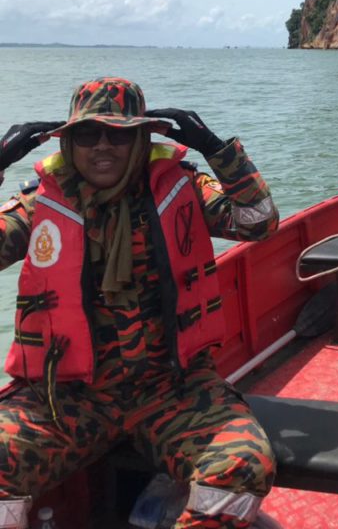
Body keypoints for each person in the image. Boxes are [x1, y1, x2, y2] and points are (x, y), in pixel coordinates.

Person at [0, 76, 280, 529]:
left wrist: (219, 151)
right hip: (66, 398)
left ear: (141, 140)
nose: (103, 146)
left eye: (120, 134)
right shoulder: (40, 203)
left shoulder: (184, 188)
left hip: (172, 389)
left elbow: (258, 222)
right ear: (69, 143)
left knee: (243, 467)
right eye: (88, 134)